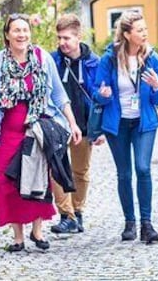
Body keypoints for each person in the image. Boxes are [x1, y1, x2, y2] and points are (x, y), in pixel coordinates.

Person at [0, 13, 82, 252]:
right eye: (16, 30)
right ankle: (17, 236)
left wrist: (72, 123)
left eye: (25, 30)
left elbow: (59, 96)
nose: (22, 34)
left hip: (36, 131)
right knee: (8, 184)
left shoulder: (43, 59)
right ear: (7, 35)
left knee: (37, 181)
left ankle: (37, 230)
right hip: (7, 133)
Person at [94, 10, 158, 244]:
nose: (145, 33)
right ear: (127, 34)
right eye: (139, 30)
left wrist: (157, 87)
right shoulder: (110, 58)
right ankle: (130, 222)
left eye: (145, 29)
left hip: (143, 122)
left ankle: (147, 224)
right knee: (124, 173)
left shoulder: (153, 58)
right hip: (118, 124)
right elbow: (98, 90)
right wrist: (104, 94)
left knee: (143, 168)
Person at [49, 14, 101, 234]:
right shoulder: (52, 61)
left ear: (78, 37)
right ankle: (66, 215)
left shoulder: (94, 63)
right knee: (57, 171)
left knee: (80, 171)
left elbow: (100, 96)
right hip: (58, 125)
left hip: (85, 124)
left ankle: (78, 212)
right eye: (59, 38)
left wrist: (100, 129)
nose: (62, 43)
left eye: (67, 38)